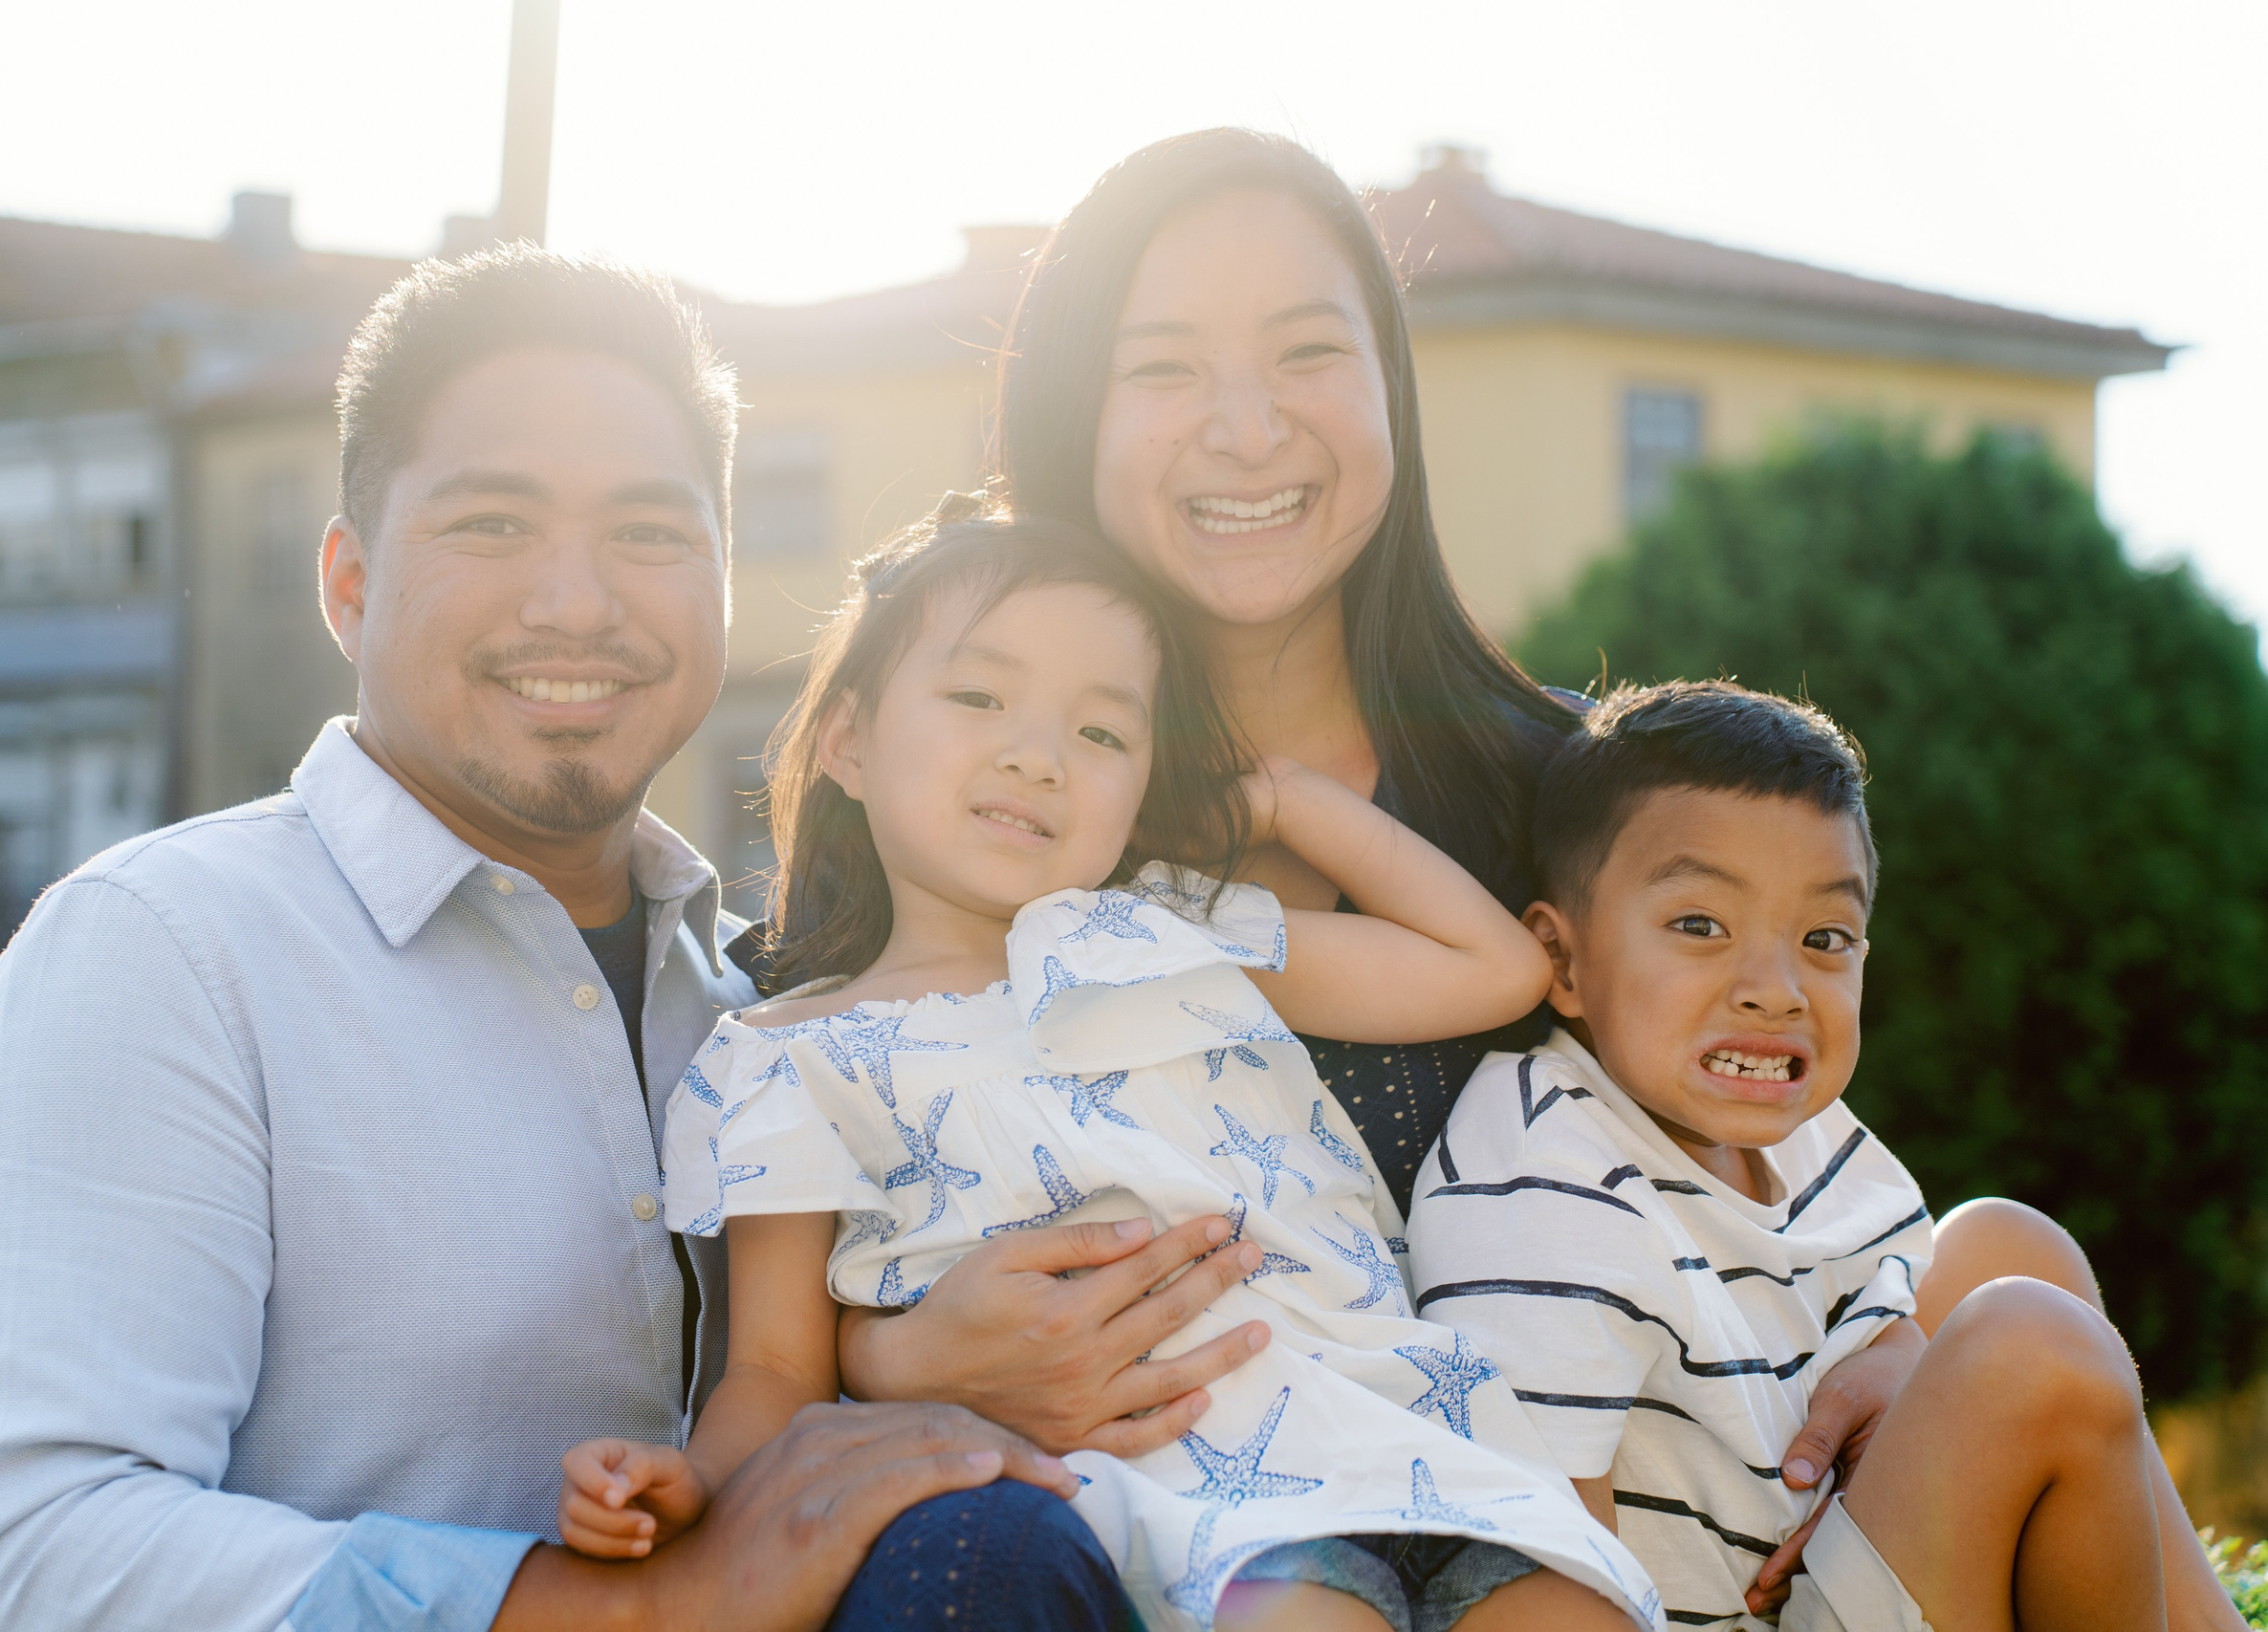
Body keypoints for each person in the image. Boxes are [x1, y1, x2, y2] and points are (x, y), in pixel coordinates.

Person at [0, 249, 1157, 1632]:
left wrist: (909, 1356)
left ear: (726, 583)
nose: (577, 602)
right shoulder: (160, 951)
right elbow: (34, 1567)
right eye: (494, 525)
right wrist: (635, 1606)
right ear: (347, 582)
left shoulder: (786, 1001)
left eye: (649, 533)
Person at [832, 129, 1908, 1595]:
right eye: (1163, 369)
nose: (1246, 427)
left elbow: (1793, 1140)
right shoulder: (989, 822)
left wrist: (1910, 1317)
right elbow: (825, 1152)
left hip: (1605, 1562)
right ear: (1074, 413)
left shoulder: (1585, 802)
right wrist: (889, 1348)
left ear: (1390, 385)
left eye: (1304, 352)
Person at [569, 507, 1659, 1632]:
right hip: (1179, 1496)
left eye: (1102, 735)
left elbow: (1488, 968)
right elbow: (776, 1375)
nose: (1035, 756)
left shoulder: (1166, 925)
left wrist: (1283, 797)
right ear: (846, 740)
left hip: (1408, 1424)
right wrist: (693, 1485)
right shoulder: (786, 1058)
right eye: (979, 699)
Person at [1406, 681, 2243, 1631]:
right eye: (1699, 925)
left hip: (1825, 1560)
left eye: (1823, 938)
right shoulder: (1540, 1177)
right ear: (1562, 962)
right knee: (2038, 1347)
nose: (1775, 989)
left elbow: (1876, 1303)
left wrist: (1899, 1356)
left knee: (2012, 1249)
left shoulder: (1807, 1138)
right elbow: (1537, 1568)